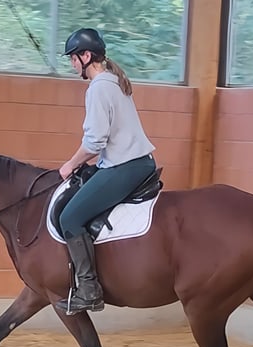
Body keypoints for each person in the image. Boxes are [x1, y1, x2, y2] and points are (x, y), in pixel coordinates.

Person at [55, 27, 157, 315]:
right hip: (135, 162)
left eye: (74, 58)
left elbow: (94, 142)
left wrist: (70, 164)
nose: (72, 63)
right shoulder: (114, 81)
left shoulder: (98, 87)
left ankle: (88, 289)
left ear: (86, 56)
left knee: (70, 217)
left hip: (126, 166)